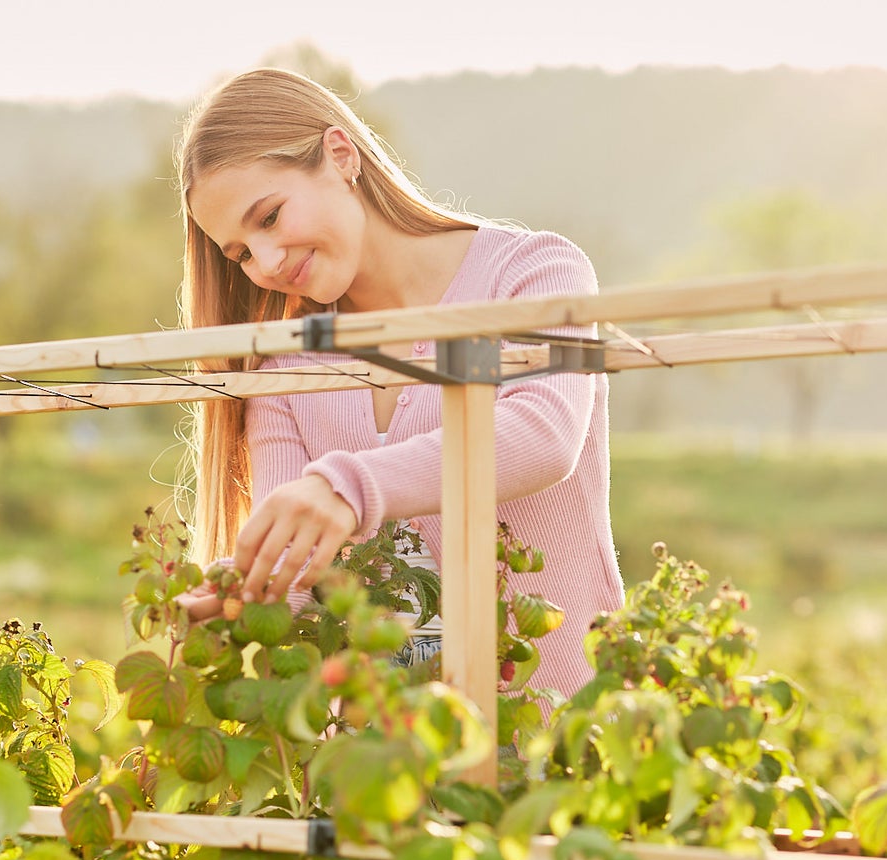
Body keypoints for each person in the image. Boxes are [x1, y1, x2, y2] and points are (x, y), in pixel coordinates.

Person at [173, 68, 623, 699]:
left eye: (270, 217)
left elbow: (546, 434)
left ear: (340, 155)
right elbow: (298, 575)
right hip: (383, 759)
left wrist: (348, 490)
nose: (267, 263)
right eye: (241, 253)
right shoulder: (285, 367)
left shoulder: (533, 271)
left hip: (559, 741)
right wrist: (227, 592)